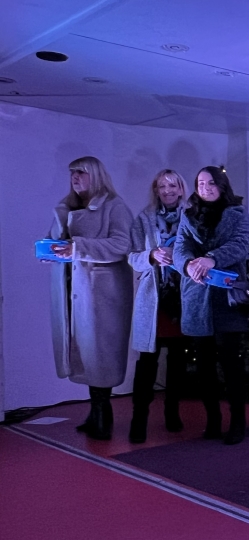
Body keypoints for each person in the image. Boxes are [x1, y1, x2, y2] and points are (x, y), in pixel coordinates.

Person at [47, 156, 134, 440]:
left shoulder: (114, 206)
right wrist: (49, 251)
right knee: (85, 351)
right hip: (74, 288)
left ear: (95, 175)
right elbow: (59, 242)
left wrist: (79, 247)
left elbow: (122, 244)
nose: (75, 178)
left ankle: (102, 415)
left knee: (101, 352)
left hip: (102, 292)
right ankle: (95, 412)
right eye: (72, 173)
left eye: (81, 173)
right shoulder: (67, 206)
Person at [174, 166, 249, 445]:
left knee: (232, 364)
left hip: (227, 297)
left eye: (210, 183)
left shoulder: (237, 212)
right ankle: (213, 420)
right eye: (200, 183)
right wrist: (187, 264)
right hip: (196, 295)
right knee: (204, 365)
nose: (205, 187)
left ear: (221, 185)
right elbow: (180, 248)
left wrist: (212, 258)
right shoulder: (188, 214)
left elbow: (242, 244)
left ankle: (238, 422)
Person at [127, 169, 191, 444]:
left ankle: (172, 411)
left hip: (183, 298)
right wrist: (151, 255)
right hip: (154, 299)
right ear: (156, 190)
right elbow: (130, 256)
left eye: (172, 185)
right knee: (147, 363)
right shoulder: (143, 218)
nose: (167, 190)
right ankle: (138, 418)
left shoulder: (192, 215)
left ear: (181, 188)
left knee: (177, 361)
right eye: (162, 186)